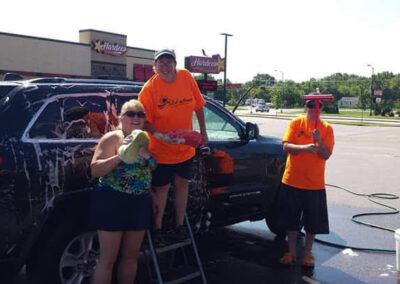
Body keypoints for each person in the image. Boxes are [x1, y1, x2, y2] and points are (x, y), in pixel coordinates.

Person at [138, 48, 208, 244]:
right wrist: (161, 136)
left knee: (182, 185)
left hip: (185, 148)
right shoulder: (149, 90)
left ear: (175, 64)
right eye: (161, 62)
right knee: (161, 190)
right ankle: (158, 229)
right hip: (160, 151)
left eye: (170, 62)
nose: (166, 66)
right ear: (154, 66)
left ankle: (179, 226)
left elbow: (199, 106)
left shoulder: (186, 77)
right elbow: (144, 121)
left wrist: (203, 132)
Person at [90, 100, 157, 284]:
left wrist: (151, 193)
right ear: (121, 117)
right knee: (108, 259)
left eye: (140, 114)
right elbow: (95, 170)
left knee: (131, 256)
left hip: (139, 202)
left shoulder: (143, 139)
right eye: (131, 113)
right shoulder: (112, 138)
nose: (136, 117)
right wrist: (121, 155)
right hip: (113, 201)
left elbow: (145, 170)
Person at [279, 99, 335, 267]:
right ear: (306, 107)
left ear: (322, 108)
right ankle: (291, 252)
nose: (313, 109)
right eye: (310, 105)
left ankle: (308, 253)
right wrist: (303, 148)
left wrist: (319, 141)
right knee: (291, 220)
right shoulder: (296, 123)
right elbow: (286, 146)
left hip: (314, 185)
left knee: (313, 223)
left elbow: (326, 155)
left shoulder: (327, 128)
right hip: (292, 181)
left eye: (317, 106)